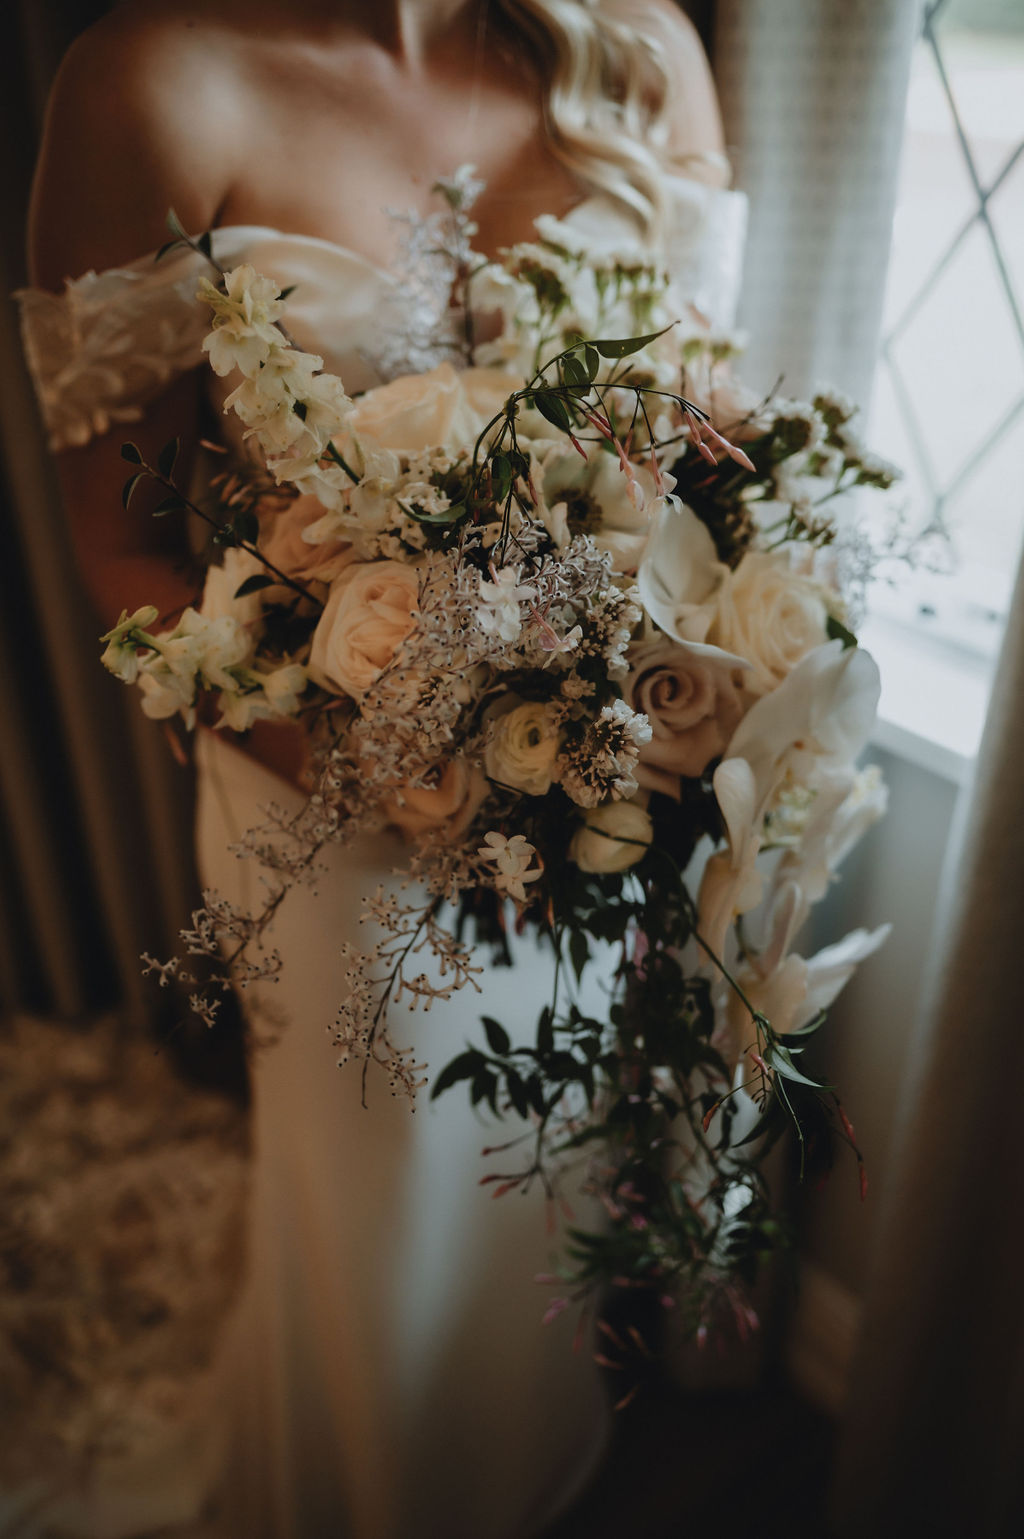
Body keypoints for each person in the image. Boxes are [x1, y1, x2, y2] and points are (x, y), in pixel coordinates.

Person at [21, 3, 743, 1534]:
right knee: (380, 1215)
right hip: (325, 805)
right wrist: (407, 778)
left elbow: (708, 422)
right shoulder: (153, 81)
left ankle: (525, 1452)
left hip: (603, 777)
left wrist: (697, 675)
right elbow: (116, 536)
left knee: (546, 1157)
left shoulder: (641, 48)